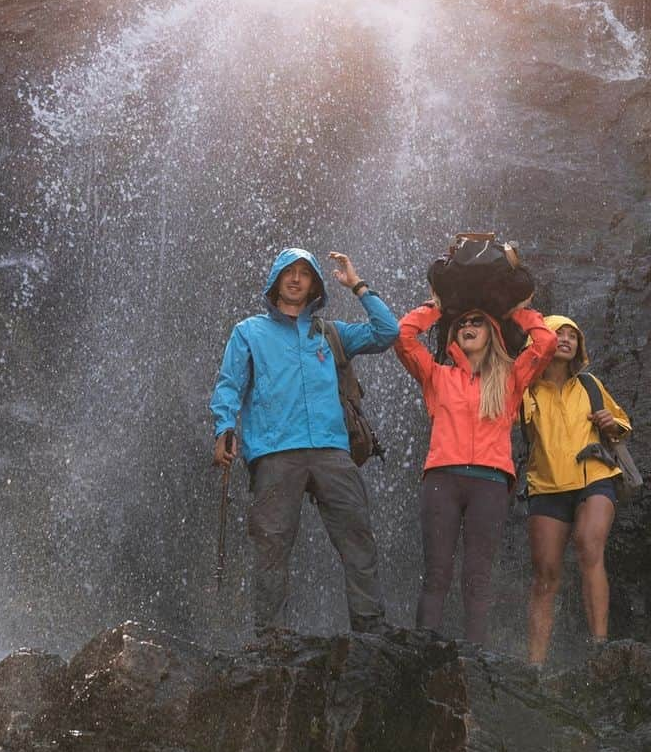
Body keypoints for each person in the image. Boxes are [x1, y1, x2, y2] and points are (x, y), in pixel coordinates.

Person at [210, 247, 398, 636]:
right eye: (289, 272)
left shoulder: (330, 333)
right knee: (272, 545)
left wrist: (358, 285)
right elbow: (229, 384)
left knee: (358, 535)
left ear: (314, 285)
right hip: (276, 452)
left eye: (305, 273)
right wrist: (224, 429)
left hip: (331, 449)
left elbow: (387, 332)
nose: (296, 279)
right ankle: (271, 637)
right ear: (276, 280)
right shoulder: (249, 332)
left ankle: (371, 631)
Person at [395, 299, 557, 645]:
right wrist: (438, 307)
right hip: (442, 479)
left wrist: (514, 310)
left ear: (492, 333)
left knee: (478, 576)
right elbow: (403, 337)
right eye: (463, 322)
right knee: (437, 573)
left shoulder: (511, 379)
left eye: (478, 322)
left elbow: (547, 343)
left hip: (490, 483)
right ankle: (422, 654)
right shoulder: (438, 375)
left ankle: (476, 661)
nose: (469, 325)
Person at [521, 314, 631, 665]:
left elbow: (622, 425)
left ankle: (600, 648)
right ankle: (535, 665)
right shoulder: (526, 389)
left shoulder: (589, 385)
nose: (566, 339)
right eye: (558, 333)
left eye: (572, 335)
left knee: (589, 544)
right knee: (545, 574)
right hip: (547, 484)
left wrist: (612, 423)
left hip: (593, 476)